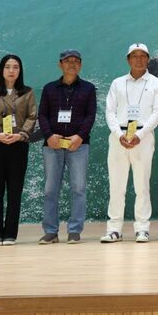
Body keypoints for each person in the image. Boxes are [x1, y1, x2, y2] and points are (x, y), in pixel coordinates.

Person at [101, 43, 158, 244]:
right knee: (116, 186)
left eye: (143, 55)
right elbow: (110, 111)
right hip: (118, 137)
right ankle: (114, 229)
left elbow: (157, 112)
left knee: (142, 185)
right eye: (134, 56)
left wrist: (141, 134)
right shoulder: (117, 83)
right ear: (128, 59)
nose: (139, 59)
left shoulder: (157, 84)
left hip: (143, 138)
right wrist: (118, 133)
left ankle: (142, 229)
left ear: (148, 59)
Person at [37, 49, 97, 244]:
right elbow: (42, 115)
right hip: (52, 146)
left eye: (76, 61)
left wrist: (80, 136)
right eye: (67, 61)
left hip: (78, 145)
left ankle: (74, 230)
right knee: (50, 190)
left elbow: (90, 115)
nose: (72, 64)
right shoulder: (49, 88)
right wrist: (49, 135)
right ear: (60, 64)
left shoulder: (88, 88)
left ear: (80, 65)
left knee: (78, 188)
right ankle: (50, 231)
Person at [0, 54, 37, 246]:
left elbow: (32, 116)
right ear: (1, 70)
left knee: (15, 191)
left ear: (20, 71)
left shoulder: (27, 93)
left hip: (18, 146)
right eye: (8, 67)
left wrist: (20, 135)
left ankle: (11, 233)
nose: (12, 71)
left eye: (16, 67)